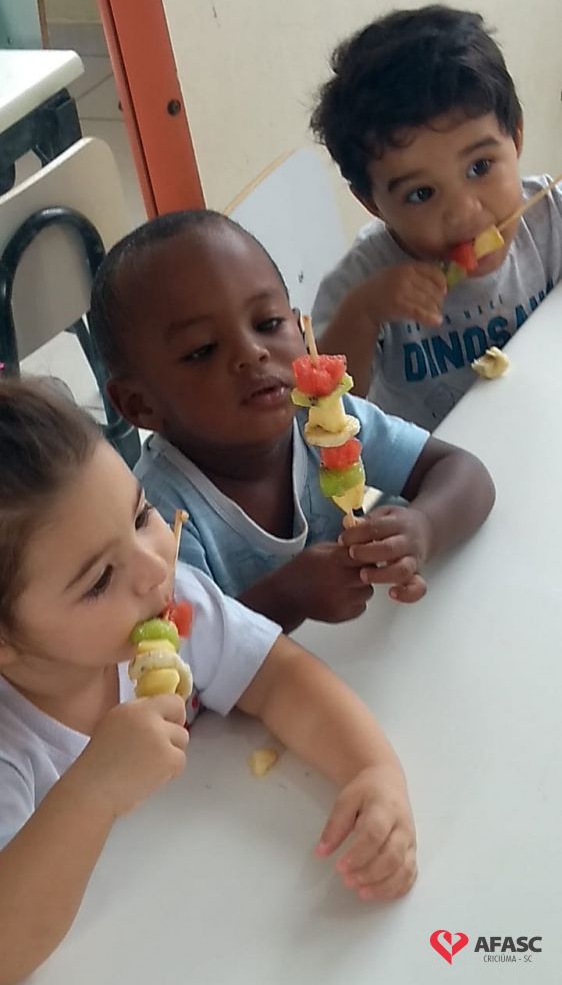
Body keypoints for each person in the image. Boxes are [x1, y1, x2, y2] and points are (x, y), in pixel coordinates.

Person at [0, 378, 417, 983]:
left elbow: (278, 676)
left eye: (141, 516)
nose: (154, 568)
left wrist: (373, 771)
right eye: (99, 580)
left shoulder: (174, 606)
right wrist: (92, 791)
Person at [89, 210, 495, 634]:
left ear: (301, 329)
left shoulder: (324, 418)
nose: (252, 352)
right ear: (139, 404)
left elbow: (463, 473)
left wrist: (423, 527)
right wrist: (286, 598)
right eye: (202, 350)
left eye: (267, 324)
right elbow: (185, 649)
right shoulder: (158, 516)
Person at [310, 5, 562, 430]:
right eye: (421, 194)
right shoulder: (364, 281)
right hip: (434, 463)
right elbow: (324, 406)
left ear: (515, 137)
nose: (464, 212)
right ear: (372, 203)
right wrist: (364, 313)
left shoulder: (550, 214)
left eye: (480, 167)